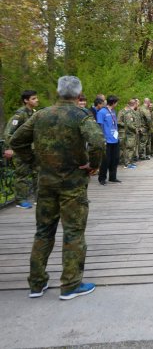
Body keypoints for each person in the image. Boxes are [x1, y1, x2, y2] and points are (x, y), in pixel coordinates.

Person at [10, 75, 104, 300]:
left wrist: (35, 161)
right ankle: (70, 284)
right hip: (73, 183)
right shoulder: (81, 116)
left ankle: (36, 283)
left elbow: (16, 141)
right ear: (78, 94)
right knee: (73, 232)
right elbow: (98, 142)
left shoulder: (41, 114)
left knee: (43, 231)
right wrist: (93, 165)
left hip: (46, 183)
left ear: (58, 91)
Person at [3, 89, 39, 209]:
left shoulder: (34, 113)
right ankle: (21, 200)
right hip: (21, 150)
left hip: (33, 149)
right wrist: (10, 148)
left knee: (37, 173)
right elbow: (8, 133)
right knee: (22, 175)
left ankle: (38, 198)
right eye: (33, 98)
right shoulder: (19, 115)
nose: (36, 100)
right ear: (26, 100)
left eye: (36, 98)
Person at [97, 95, 120, 185]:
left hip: (115, 139)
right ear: (113, 103)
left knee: (115, 159)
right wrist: (103, 139)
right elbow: (100, 126)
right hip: (107, 140)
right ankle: (102, 178)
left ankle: (112, 177)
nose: (117, 104)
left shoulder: (113, 111)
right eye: (116, 102)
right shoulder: (102, 112)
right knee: (106, 160)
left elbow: (114, 124)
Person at [117, 99, 137, 169]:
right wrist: (125, 125)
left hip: (129, 132)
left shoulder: (132, 112)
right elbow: (118, 122)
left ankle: (129, 162)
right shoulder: (121, 112)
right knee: (124, 148)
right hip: (122, 132)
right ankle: (124, 162)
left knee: (130, 147)